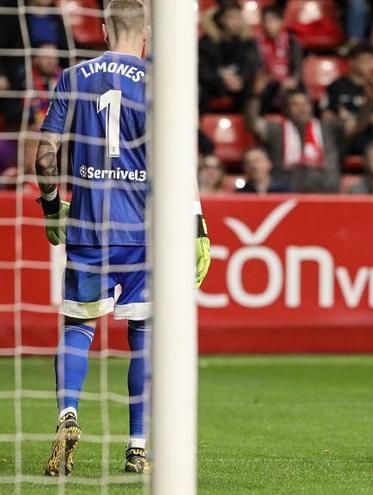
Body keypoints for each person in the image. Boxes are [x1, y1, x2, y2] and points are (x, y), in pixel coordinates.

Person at [34, 0, 211, 475]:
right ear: (147, 34)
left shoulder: (74, 77)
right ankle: (137, 448)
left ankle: (68, 415)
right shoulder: (160, 82)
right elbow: (177, 164)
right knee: (145, 335)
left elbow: (45, 154)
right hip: (143, 235)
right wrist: (196, 226)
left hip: (88, 230)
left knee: (77, 327)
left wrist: (52, 207)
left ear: (103, 31)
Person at [245, 88, 345, 193]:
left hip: (325, 194)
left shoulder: (329, 128)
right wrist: (254, 96)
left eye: (305, 104)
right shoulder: (276, 130)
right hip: (285, 195)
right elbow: (252, 124)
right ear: (287, 109)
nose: (301, 109)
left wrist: (365, 105)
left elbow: (355, 126)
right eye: (295, 105)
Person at [197, 2, 260, 112]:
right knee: (199, 89)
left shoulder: (247, 43)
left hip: (238, 84)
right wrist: (222, 79)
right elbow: (203, 71)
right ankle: (199, 124)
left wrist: (239, 78)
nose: (236, 23)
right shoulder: (207, 42)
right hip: (214, 85)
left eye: (238, 18)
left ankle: (252, 125)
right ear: (222, 19)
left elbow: (250, 67)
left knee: (252, 90)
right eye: (232, 18)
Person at [324, 45, 373, 158]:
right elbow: (326, 116)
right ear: (352, 62)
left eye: (370, 61)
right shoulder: (337, 86)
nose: (369, 65)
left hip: (368, 136)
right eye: (364, 61)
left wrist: (351, 118)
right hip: (344, 138)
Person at [253, 5, 302, 114]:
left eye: (273, 21)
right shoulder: (255, 43)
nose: (269, 25)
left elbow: (298, 70)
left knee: (296, 93)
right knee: (258, 91)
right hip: (267, 83)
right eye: (266, 21)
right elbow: (255, 68)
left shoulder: (292, 42)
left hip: (287, 84)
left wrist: (292, 80)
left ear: (282, 22)